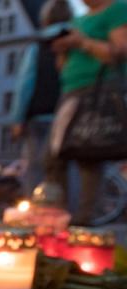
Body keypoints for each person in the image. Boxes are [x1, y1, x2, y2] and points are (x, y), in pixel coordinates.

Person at [47, 0, 127, 225]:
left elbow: (118, 52)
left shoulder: (118, 9)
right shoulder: (78, 20)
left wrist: (81, 42)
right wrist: (62, 49)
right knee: (55, 156)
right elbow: (63, 66)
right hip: (71, 92)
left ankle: (82, 222)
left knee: (90, 154)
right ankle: (58, 218)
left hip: (98, 91)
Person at [9, 1, 73, 196]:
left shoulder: (38, 46)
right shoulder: (77, 39)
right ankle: (70, 212)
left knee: (35, 166)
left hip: (40, 116)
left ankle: (35, 210)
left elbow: (25, 84)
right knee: (69, 166)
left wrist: (17, 118)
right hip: (71, 113)